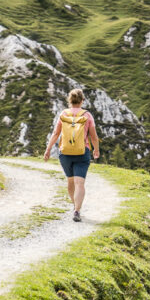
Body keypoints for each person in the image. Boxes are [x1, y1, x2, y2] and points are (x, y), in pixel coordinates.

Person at [43, 87, 100, 221]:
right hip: (82, 152)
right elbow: (94, 137)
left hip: (65, 153)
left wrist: (48, 150)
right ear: (82, 101)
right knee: (80, 183)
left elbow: (56, 133)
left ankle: (74, 206)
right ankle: (77, 210)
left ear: (70, 100)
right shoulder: (87, 115)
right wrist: (96, 150)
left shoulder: (64, 114)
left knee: (70, 181)